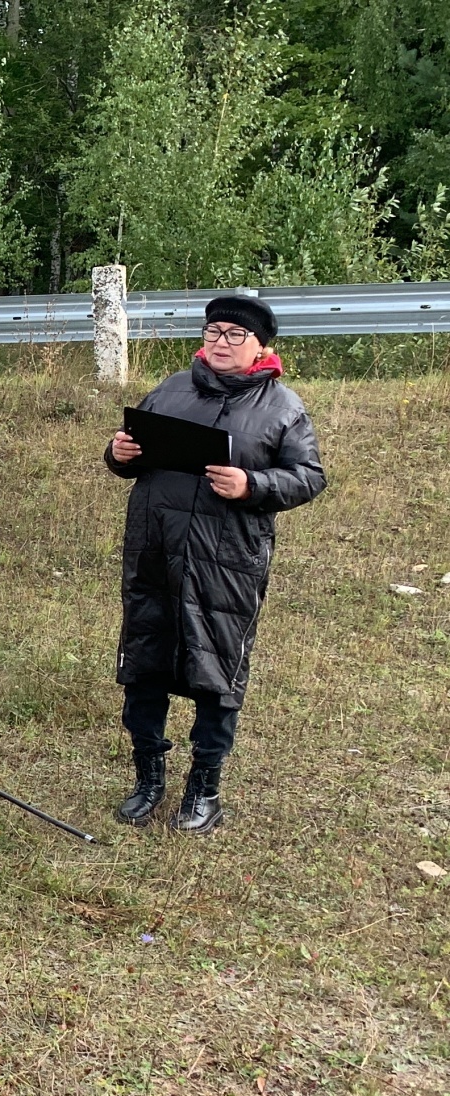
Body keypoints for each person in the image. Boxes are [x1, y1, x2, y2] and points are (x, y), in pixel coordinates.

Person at [104, 295, 326, 834]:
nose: (221, 343)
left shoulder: (282, 407)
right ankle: (147, 781)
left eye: (234, 335)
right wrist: (118, 453)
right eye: (213, 332)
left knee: (217, 671)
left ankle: (204, 789)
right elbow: (128, 455)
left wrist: (254, 484)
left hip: (227, 561)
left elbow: (310, 476)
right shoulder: (170, 389)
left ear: (260, 347)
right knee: (146, 662)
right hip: (155, 551)